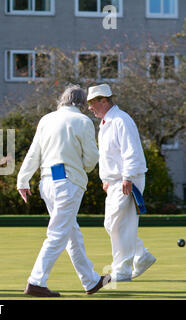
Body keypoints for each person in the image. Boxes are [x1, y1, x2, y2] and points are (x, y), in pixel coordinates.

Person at [17, 85, 110, 297]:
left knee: (71, 233)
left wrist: (22, 180)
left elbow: (33, 153)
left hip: (46, 182)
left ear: (62, 100)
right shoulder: (83, 121)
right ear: (82, 103)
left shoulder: (46, 120)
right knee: (58, 233)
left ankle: (91, 281)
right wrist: (85, 167)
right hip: (68, 183)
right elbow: (92, 158)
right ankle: (36, 281)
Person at [87, 84, 156, 282]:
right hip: (115, 181)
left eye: (92, 103)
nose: (90, 107)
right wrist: (106, 179)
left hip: (128, 179)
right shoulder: (107, 122)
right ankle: (141, 255)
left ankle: (122, 270)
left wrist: (127, 177)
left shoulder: (121, 120)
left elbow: (130, 151)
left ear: (104, 100)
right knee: (112, 223)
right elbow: (109, 155)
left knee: (120, 224)